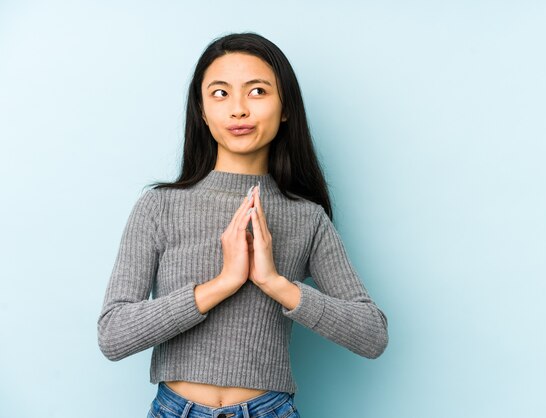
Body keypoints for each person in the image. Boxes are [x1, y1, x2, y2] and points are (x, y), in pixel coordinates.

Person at [97, 32, 388, 418]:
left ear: (285, 108)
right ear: (201, 110)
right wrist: (222, 284)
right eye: (220, 93)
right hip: (175, 410)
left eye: (257, 92)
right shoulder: (160, 205)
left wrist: (275, 283)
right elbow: (112, 334)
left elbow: (372, 334)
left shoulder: (306, 216)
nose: (238, 110)